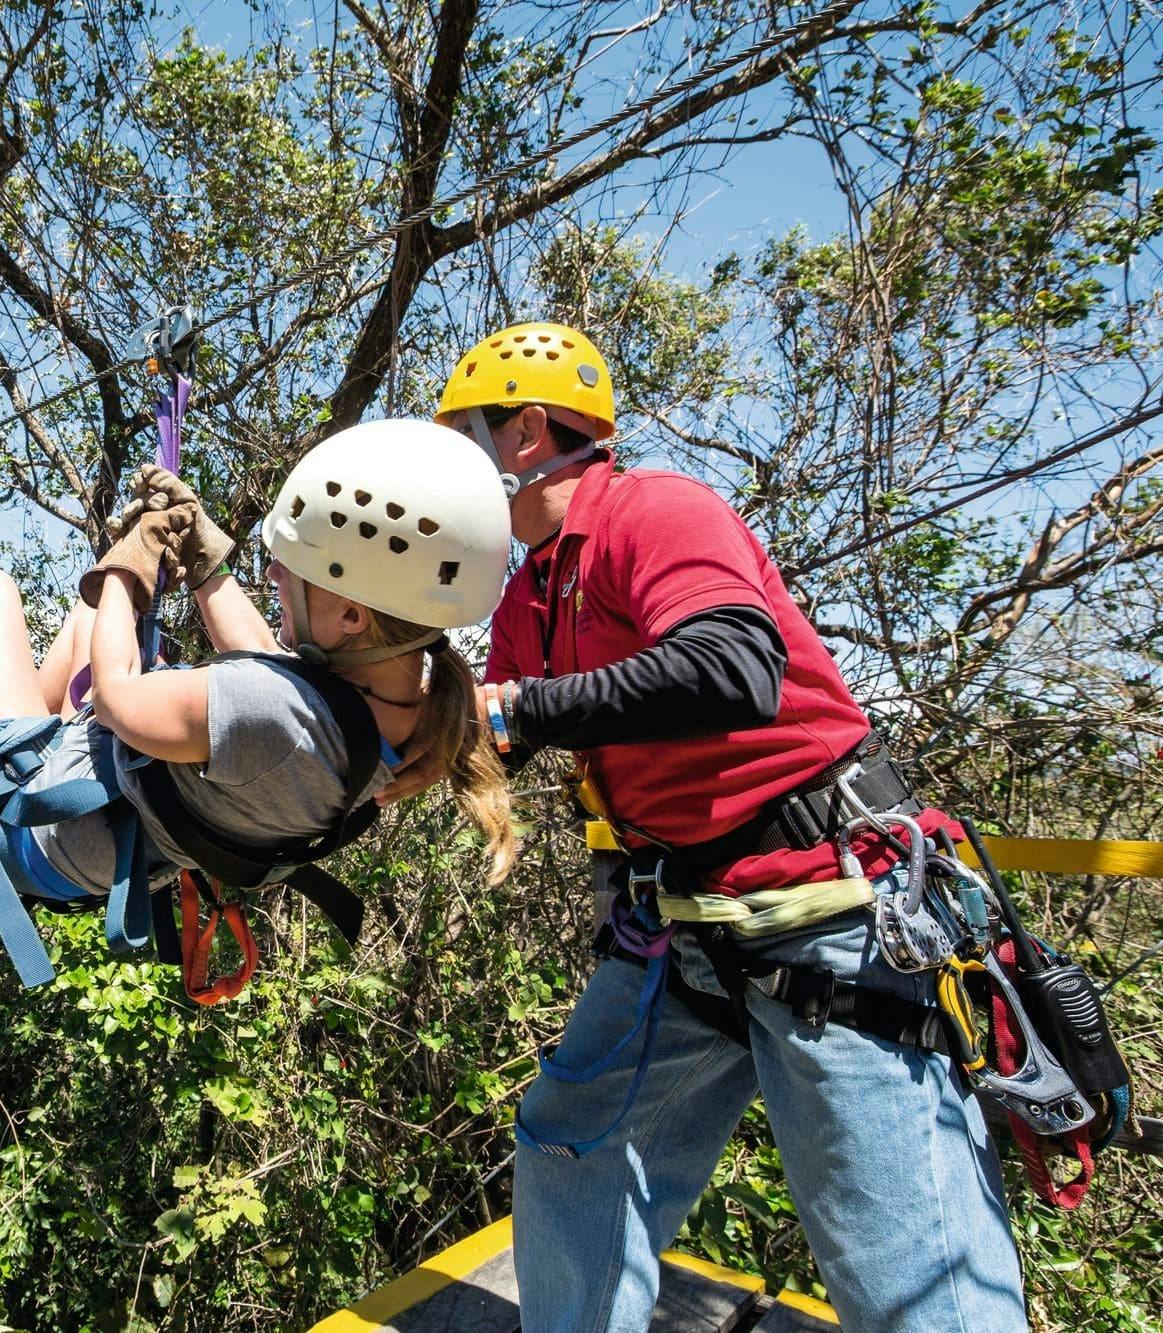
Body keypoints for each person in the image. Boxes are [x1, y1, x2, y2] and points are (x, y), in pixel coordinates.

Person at [403, 321, 1026, 1331]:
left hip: (824, 911)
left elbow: (731, 668)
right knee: (571, 1143)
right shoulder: (531, 591)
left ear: (524, 432)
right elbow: (491, 736)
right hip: (682, 926)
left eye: (466, 436)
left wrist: (516, 709)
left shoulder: (654, 511)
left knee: (898, 1260)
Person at [0, 419, 518, 990]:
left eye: (290, 571)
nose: (272, 576)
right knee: (84, 618)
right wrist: (204, 563)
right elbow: (264, 657)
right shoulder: (420, 704)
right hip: (109, 825)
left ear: (351, 613)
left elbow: (115, 696)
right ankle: (2, 742)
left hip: (38, 838)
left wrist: (126, 569)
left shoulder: (268, 713)